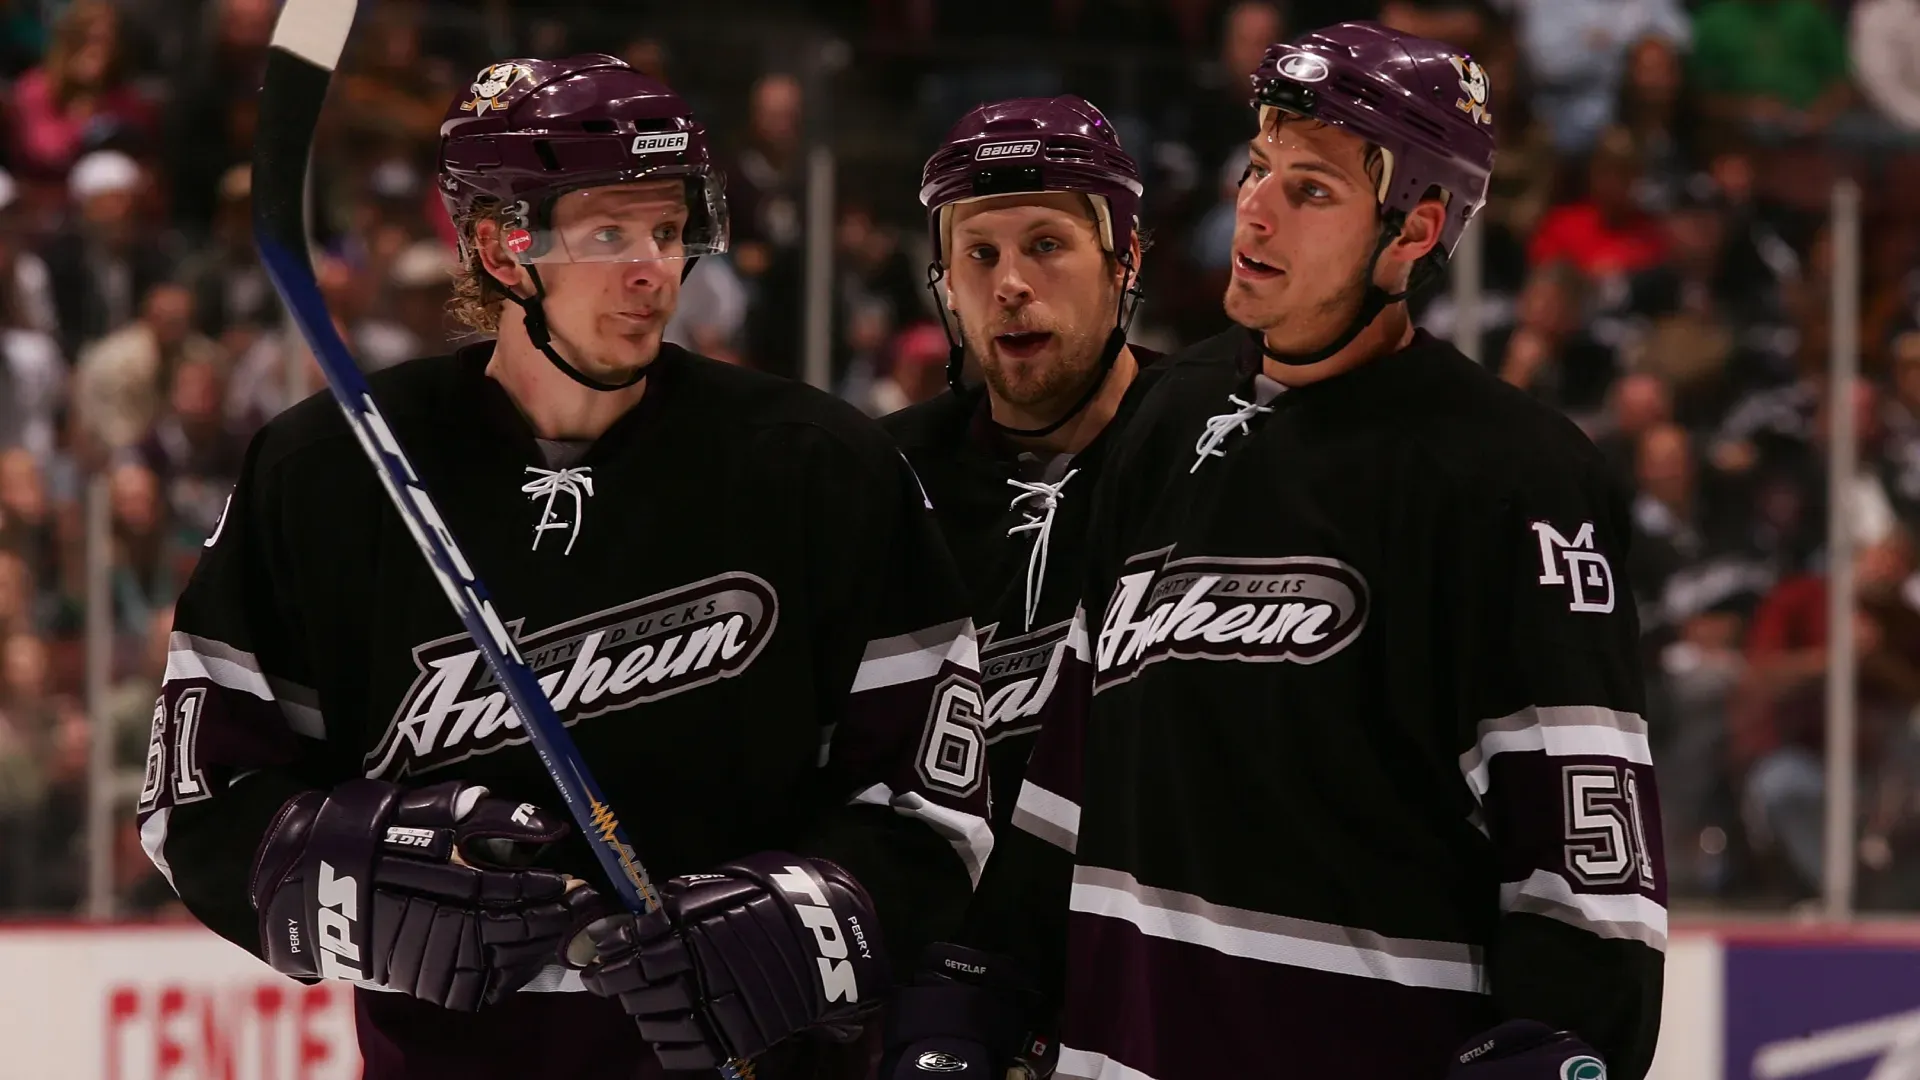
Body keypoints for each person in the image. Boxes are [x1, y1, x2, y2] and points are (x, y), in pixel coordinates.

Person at [137, 54, 991, 1080]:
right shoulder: (332, 471)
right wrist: (337, 871)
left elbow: (932, 808)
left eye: (670, 232)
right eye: (608, 234)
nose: (656, 271)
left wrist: (814, 921)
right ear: (501, 246)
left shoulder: (822, 471)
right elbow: (202, 795)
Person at [883, 23, 1664, 1080]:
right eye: (1258, 169)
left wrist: (1567, 1042)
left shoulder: (1511, 476)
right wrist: (982, 978)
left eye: (1312, 190)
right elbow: (1072, 778)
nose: (1252, 208)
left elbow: (1586, 868)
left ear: (1414, 230)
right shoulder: (1166, 421)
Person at [883, 95, 1159, 832]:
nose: (1009, 284)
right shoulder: (885, 477)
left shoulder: (1208, 446)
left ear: (1124, 260)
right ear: (945, 282)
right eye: (980, 254)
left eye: (1045, 244)